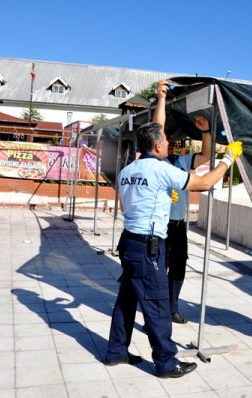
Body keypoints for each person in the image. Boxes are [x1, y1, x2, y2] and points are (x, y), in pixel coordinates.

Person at [104, 80, 243, 379]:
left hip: (129, 242)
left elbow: (156, 128)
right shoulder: (163, 169)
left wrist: (161, 98)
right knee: (156, 305)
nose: (169, 142)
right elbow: (204, 183)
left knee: (126, 299)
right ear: (157, 146)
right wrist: (228, 158)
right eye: (166, 140)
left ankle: (116, 351)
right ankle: (167, 363)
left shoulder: (130, 169)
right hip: (148, 246)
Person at [155, 100, 212, 324]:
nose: (170, 143)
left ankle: (172, 307)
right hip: (160, 224)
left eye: (171, 140)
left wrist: (205, 131)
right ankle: (157, 308)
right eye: (166, 138)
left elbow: (206, 155)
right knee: (159, 268)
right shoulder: (155, 164)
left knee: (178, 267)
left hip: (178, 225)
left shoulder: (182, 160)